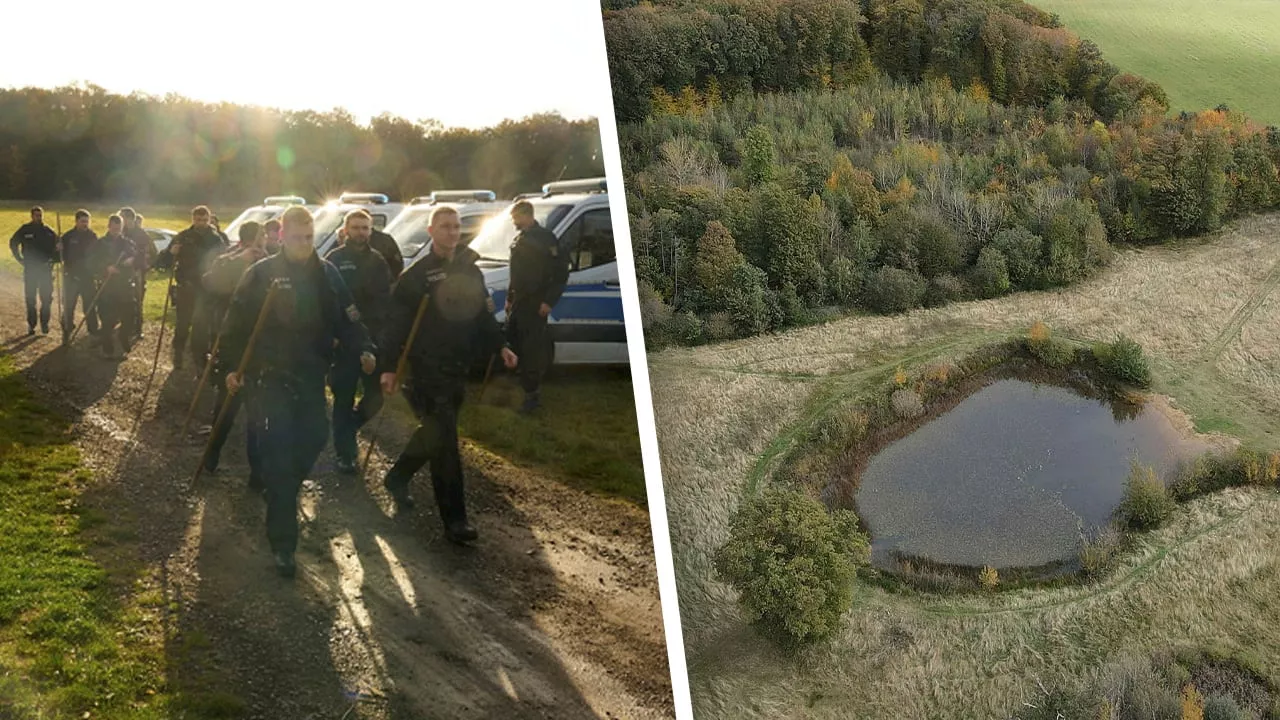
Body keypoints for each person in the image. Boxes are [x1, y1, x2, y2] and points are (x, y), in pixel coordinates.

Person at [220, 206, 374, 577]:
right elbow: (235, 323)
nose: (304, 244)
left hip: (310, 374)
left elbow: (348, 317)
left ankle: (281, 488)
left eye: (309, 237)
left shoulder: (328, 274)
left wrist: (365, 347)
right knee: (279, 453)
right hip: (269, 377)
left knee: (317, 436)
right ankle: (283, 546)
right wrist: (229, 366)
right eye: (296, 238)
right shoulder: (261, 274)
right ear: (282, 237)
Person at [379, 205, 517, 544]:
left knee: (434, 433)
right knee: (445, 443)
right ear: (431, 231)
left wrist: (501, 346)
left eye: (456, 227)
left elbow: (484, 315)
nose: (452, 232)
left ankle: (397, 477)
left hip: (458, 366)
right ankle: (455, 520)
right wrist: (387, 367)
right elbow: (395, 327)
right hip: (426, 369)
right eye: (445, 227)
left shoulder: (471, 270)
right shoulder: (415, 278)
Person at [323, 210, 393, 473]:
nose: (361, 232)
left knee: (375, 398)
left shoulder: (378, 261)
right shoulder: (333, 260)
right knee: (343, 398)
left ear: (371, 231)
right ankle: (346, 454)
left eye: (365, 228)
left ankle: (350, 427)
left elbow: (386, 300)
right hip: (343, 342)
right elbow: (324, 304)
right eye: (356, 227)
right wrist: (331, 336)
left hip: (372, 339)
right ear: (345, 230)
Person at [201, 221, 269, 486]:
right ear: (250, 238)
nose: (265, 240)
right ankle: (212, 453)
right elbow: (210, 283)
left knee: (258, 413)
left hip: (262, 343)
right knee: (227, 405)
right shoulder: (227, 259)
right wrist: (241, 261)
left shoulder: (271, 263)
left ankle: (257, 472)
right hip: (232, 339)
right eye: (262, 236)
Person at [504, 200, 568, 413]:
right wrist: (509, 298)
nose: (514, 222)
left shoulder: (546, 239)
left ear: (526, 215)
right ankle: (519, 387)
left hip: (536, 304)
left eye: (515, 218)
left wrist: (549, 301)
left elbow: (560, 274)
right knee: (515, 343)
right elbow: (516, 275)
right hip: (519, 303)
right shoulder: (520, 238)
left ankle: (532, 396)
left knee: (531, 350)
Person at [160, 205, 227, 369]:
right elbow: (162, 262)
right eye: (198, 220)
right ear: (193, 219)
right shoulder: (182, 237)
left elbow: (223, 262)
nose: (201, 223)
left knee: (201, 327)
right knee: (183, 324)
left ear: (209, 219)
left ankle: (200, 359)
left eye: (205, 220)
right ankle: (178, 354)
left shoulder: (216, 239)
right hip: (186, 288)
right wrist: (171, 253)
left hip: (205, 289)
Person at [89, 215, 140, 359]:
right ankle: (108, 350)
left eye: (119, 228)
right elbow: (91, 263)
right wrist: (106, 268)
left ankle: (123, 338)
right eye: (114, 227)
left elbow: (139, 260)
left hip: (125, 287)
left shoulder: (129, 243)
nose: (116, 230)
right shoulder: (100, 244)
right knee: (107, 320)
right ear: (109, 226)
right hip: (108, 287)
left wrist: (133, 260)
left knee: (129, 317)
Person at [9, 206, 59, 335]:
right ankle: (32, 325)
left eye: (40, 215)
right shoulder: (25, 229)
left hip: (45, 270)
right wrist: (19, 258)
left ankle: (44, 323)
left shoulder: (49, 231)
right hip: (30, 269)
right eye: (36, 215)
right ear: (32, 216)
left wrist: (55, 258)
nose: (38, 217)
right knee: (30, 298)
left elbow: (57, 250)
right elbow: (13, 242)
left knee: (47, 298)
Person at [58, 209, 99, 343]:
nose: (85, 224)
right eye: (82, 221)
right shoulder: (68, 236)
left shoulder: (93, 236)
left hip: (87, 277)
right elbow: (59, 257)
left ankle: (93, 331)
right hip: (71, 277)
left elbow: (97, 256)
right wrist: (57, 249)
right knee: (69, 306)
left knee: (90, 305)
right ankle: (66, 331)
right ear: (76, 221)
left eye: (87, 221)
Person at [119, 207, 157, 338]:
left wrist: (138, 260)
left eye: (123, 218)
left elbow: (150, 253)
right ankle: (124, 325)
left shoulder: (141, 234)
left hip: (137, 271)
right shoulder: (120, 232)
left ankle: (137, 328)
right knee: (122, 299)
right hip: (121, 271)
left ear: (130, 219)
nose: (121, 221)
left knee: (137, 299)